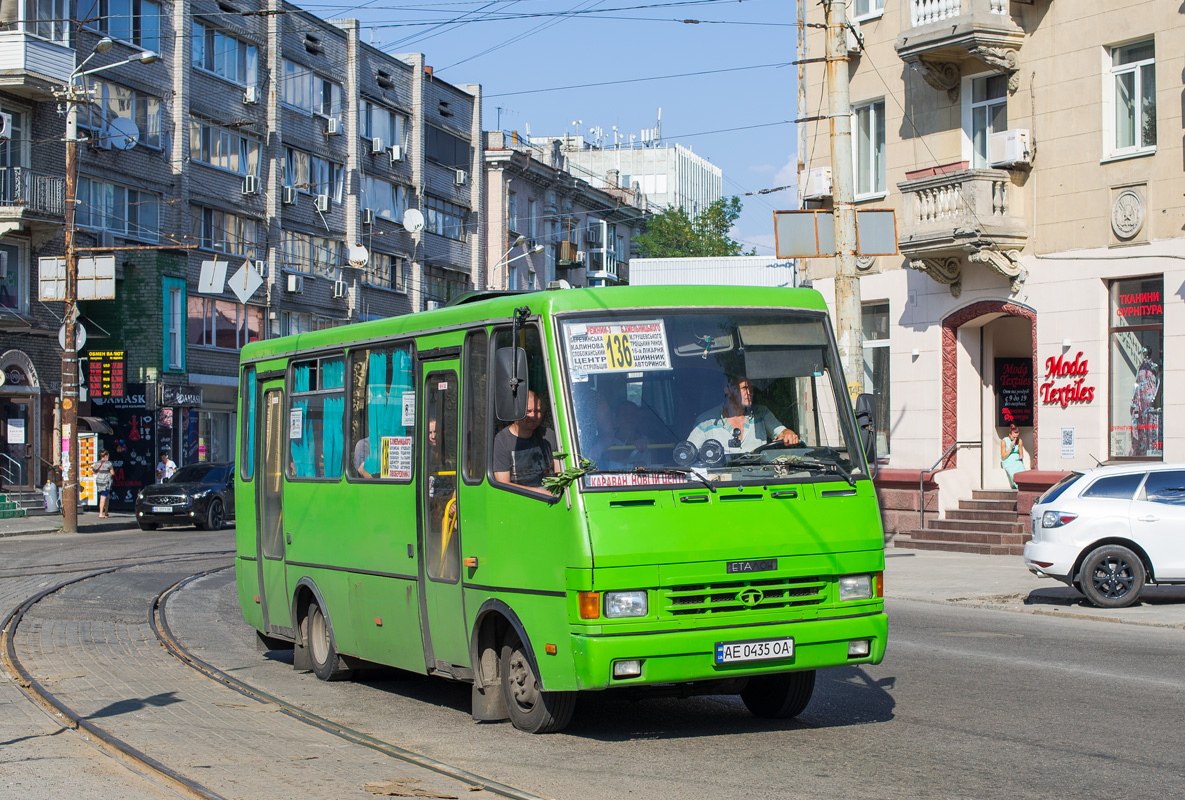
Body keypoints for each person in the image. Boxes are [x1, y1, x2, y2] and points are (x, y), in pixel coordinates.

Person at [687, 374, 800, 459]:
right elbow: (688, 455)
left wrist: (788, 434)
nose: (749, 392)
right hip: (721, 484)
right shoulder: (706, 422)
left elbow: (782, 432)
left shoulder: (761, 414)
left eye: (751, 388)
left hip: (761, 480)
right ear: (728, 390)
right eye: (745, 388)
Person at [492, 390, 561, 496]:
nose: (533, 416)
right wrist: (540, 493)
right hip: (520, 499)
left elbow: (560, 471)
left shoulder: (548, 435)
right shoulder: (502, 440)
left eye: (537, 411)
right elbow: (503, 484)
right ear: (516, 411)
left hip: (553, 498)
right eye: (528, 411)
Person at [1000, 424, 1026, 489]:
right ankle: (1018, 487)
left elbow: (1021, 453)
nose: (1015, 439)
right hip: (1008, 461)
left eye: (1017, 437)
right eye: (1014, 437)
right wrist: (1011, 448)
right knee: (1013, 472)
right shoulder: (1004, 441)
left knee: (1022, 471)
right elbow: (1003, 457)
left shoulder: (1019, 441)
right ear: (1010, 434)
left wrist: (1021, 459)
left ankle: (1024, 487)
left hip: (1017, 461)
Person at [93, 449, 113, 518]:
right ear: (106, 456)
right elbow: (112, 472)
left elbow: (94, 471)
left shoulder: (97, 463)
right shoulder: (108, 463)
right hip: (106, 482)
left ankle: (106, 512)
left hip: (99, 481)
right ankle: (101, 513)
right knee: (103, 496)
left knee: (107, 496)